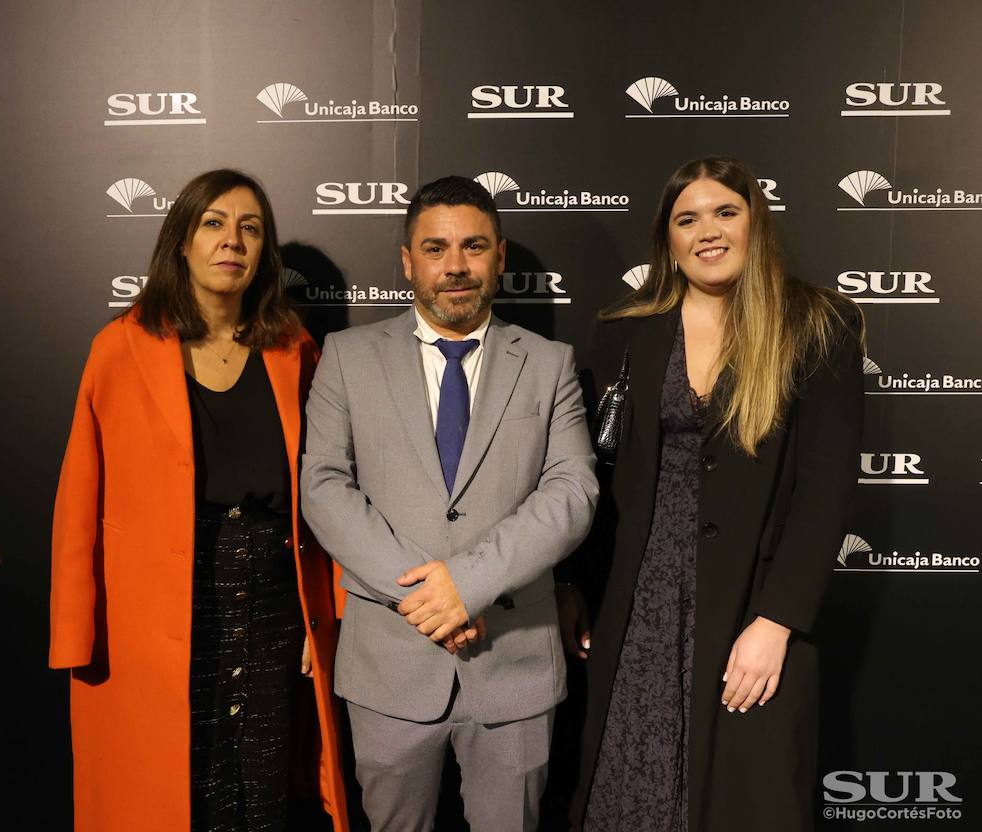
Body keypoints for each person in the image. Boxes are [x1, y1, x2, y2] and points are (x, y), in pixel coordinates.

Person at [563, 156, 864, 831]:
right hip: (638, 609)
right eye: (687, 218)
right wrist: (575, 587)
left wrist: (777, 621)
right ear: (667, 239)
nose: (709, 231)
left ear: (755, 221)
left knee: (744, 801)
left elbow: (827, 490)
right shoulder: (624, 333)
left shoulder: (817, 325)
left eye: (726, 212)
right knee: (628, 793)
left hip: (750, 613)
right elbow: (595, 481)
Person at [49, 169, 350, 832]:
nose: (231, 241)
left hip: (273, 605)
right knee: (173, 790)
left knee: (263, 787)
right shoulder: (118, 348)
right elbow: (79, 501)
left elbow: (329, 491)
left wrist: (323, 611)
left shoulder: (293, 348)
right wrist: (76, 634)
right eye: (213, 223)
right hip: (156, 610)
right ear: (180, 241)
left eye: (250, 228)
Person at [301, 175, 599, 831]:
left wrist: (465, 585)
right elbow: (323, 486)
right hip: (389, 665)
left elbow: (573, 492)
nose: (455, 266)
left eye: (473, 246)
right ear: (408, 261)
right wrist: (428, 599)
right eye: (435, 248)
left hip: (515, 663)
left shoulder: (549, 364)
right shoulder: (347, 358)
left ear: (499, 257)